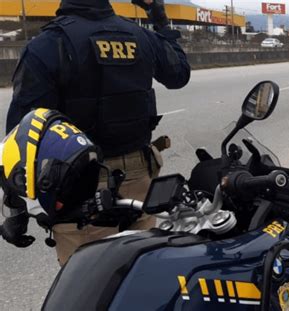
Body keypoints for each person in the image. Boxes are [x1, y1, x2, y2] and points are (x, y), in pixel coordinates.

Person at [1, 0, 191, 265]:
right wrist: (158, 19)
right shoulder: (141, 36)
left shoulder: (48, 45)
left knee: (91, 289)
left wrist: (16, 209)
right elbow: (179, 74)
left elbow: (23, 136)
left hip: (79, 187)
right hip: (140, 179)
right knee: (143, 277)